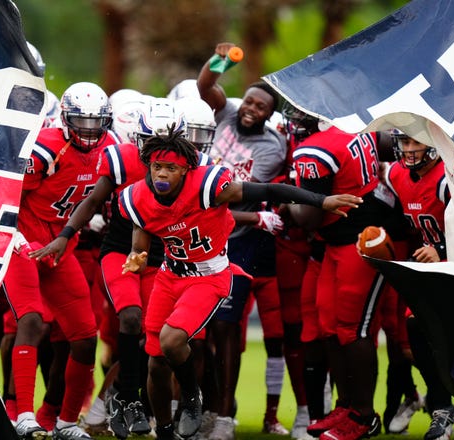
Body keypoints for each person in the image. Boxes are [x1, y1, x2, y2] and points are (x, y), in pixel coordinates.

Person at [118, 127, 362, 440]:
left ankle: (192, 396)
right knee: (155, 364)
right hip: (170, 275)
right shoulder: (138, 196)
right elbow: (141, 239)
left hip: (208, 276)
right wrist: (136, 256)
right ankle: (165, 431)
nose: (162, 174)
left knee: (171, 341)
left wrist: (321, 199)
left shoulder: (210, 187)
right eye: (157, 167)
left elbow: (271, 191)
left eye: (171, 168)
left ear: (187, 170)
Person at [36, 97, 191, 439]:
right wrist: (65, 235)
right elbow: (91, 200)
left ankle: (140, 402)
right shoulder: (121, 159)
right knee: (130, 318)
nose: (157, 152)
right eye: (150, 142)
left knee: (160, 338)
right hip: (120, 251)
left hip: (162, 258)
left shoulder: (191, 167)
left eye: (165, 144)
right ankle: (131, 401)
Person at [5, 81, 120, 440]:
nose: (88, 131)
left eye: (95, 123)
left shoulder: (111, 148)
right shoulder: (45, 148)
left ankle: (65, 421)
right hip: (25, 238)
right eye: (80, 122)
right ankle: (23, 415)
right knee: (32, 321)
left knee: (85, 338)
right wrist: (16, 236)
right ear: (65, 119)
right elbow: (7, 192)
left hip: (62, 245)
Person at [281, 101, 396, 440]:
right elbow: (386, 145)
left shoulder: (314, 150)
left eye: (301, 115)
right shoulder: (352, 127)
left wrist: (287, 195)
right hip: (337, 242)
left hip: (356, 242)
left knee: (352, 329)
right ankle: (345, 407)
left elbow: (309, 219)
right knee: (331, 326)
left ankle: (363, 416)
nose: (295, 122)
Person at [196, 41, 291, 439]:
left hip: (236, 239)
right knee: (196, 329)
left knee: (226, 327)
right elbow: (205, 87)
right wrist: (219, 60)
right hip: (198, 236)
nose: (251, 109)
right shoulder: (227, 112)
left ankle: (222, 417)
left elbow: (227, 200)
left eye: (261, 108)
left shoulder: (271, 147)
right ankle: (206, 403)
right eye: (250, 102)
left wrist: (245, 215)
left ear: (269, 116)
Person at [382, 130, 454, 440]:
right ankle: (442, 407)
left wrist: (443, 250)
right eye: (404, 142)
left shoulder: (450, 178)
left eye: (415, 142)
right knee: (416, 330)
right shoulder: (396, 174)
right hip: (433, 274)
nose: (408, 149)